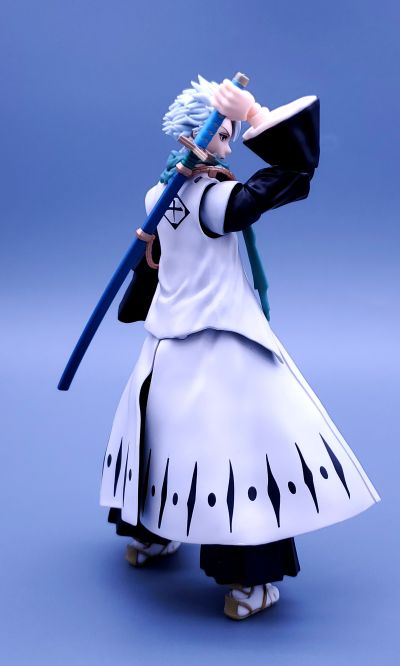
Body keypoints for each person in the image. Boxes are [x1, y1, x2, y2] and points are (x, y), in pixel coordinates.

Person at [100, 76, 380, 620]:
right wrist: (256, 115)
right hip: (219, 340)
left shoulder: (159, 195)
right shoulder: (214, 201)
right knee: (237, 456)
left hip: (166, 346)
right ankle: (249, 581)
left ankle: (152, 535)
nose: (229, 149)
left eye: (231, 135)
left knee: (162, 437)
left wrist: (243, 121)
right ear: (197, 136)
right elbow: (291, 175)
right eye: (223, 136)